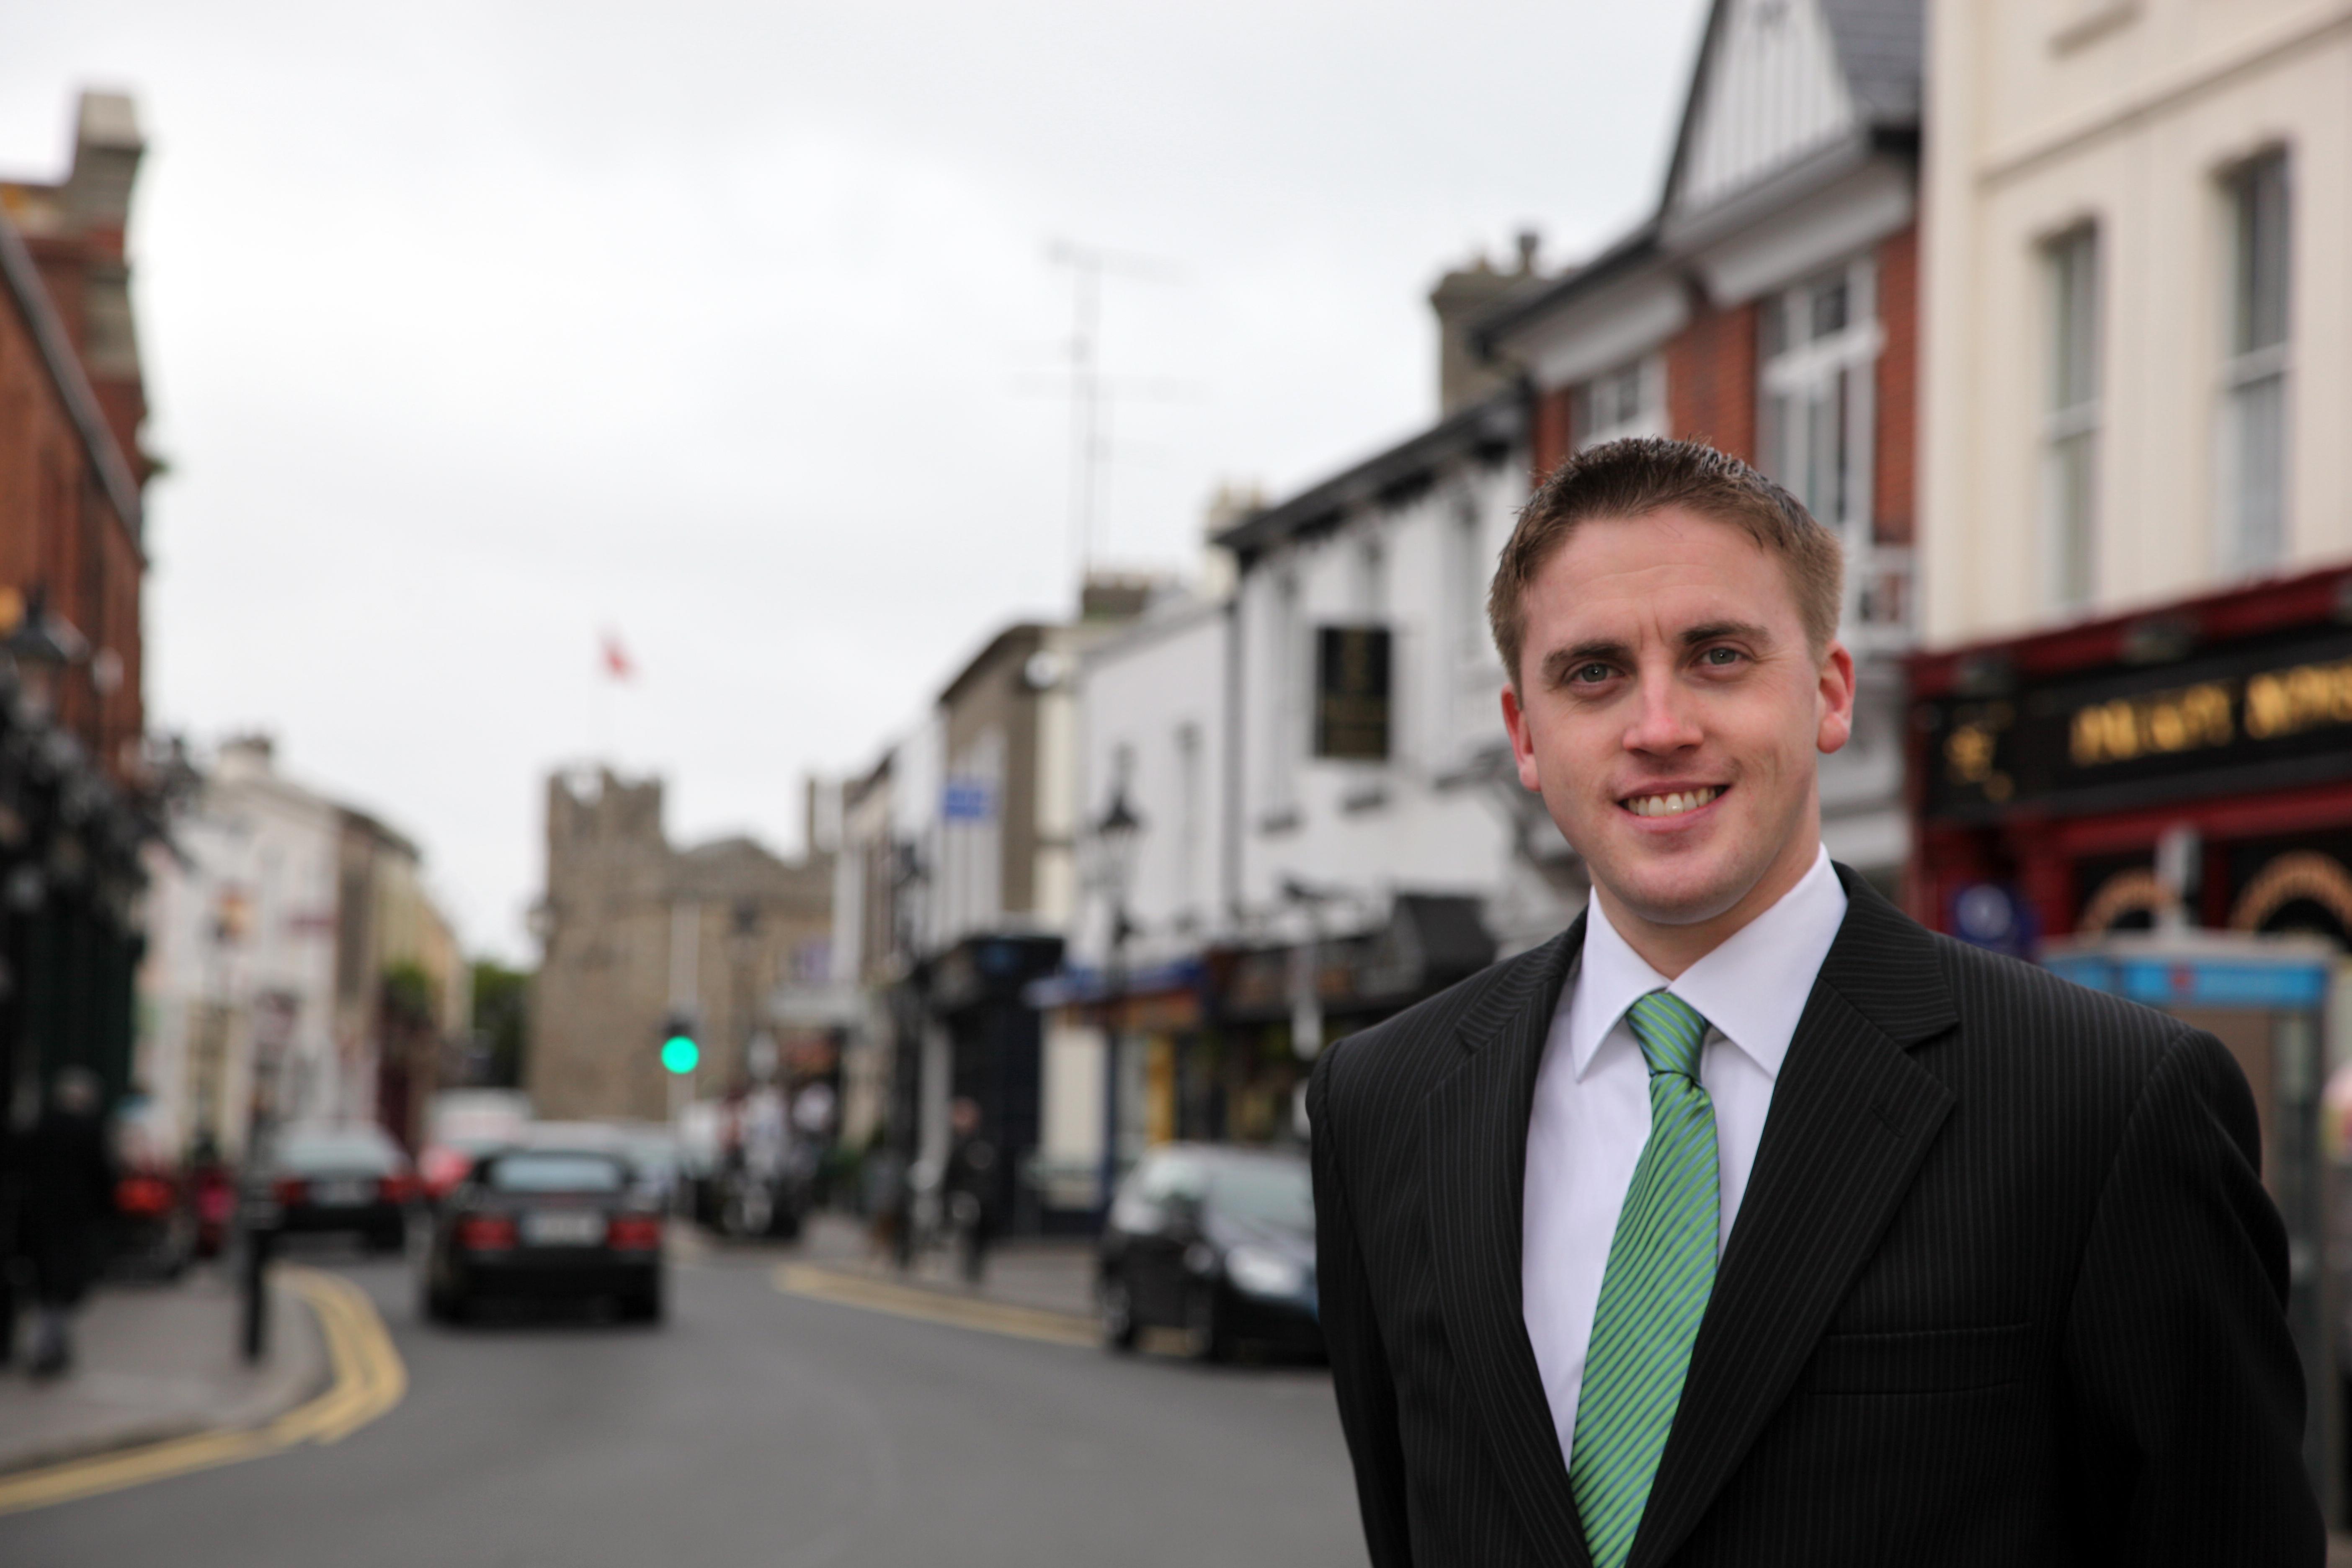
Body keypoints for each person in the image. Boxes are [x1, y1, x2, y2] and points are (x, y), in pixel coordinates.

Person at [1308, 438, 2320, 1567]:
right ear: (1525, 737)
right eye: (1593, 672)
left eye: (1718, 656)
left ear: (1830, 693)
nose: (1657, 725)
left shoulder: (2107, 1104)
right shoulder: (1383, 1101)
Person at [20, 1067, 114, 1378]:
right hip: (74, 1221)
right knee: (63, 1286)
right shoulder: (90, 1131)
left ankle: (53, 1345)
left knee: (47, 1284)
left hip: (40, 1217)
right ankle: (48, 1349)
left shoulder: (40, 1127)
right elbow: (103, 1179)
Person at [940, 1097, 998, 1284]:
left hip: (977, 1203)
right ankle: (967, 1271)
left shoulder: (979, 1144)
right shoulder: (958, 1143)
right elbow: (950, 1177)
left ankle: (972, 1271)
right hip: (962, 1202)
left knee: (975, 1242)